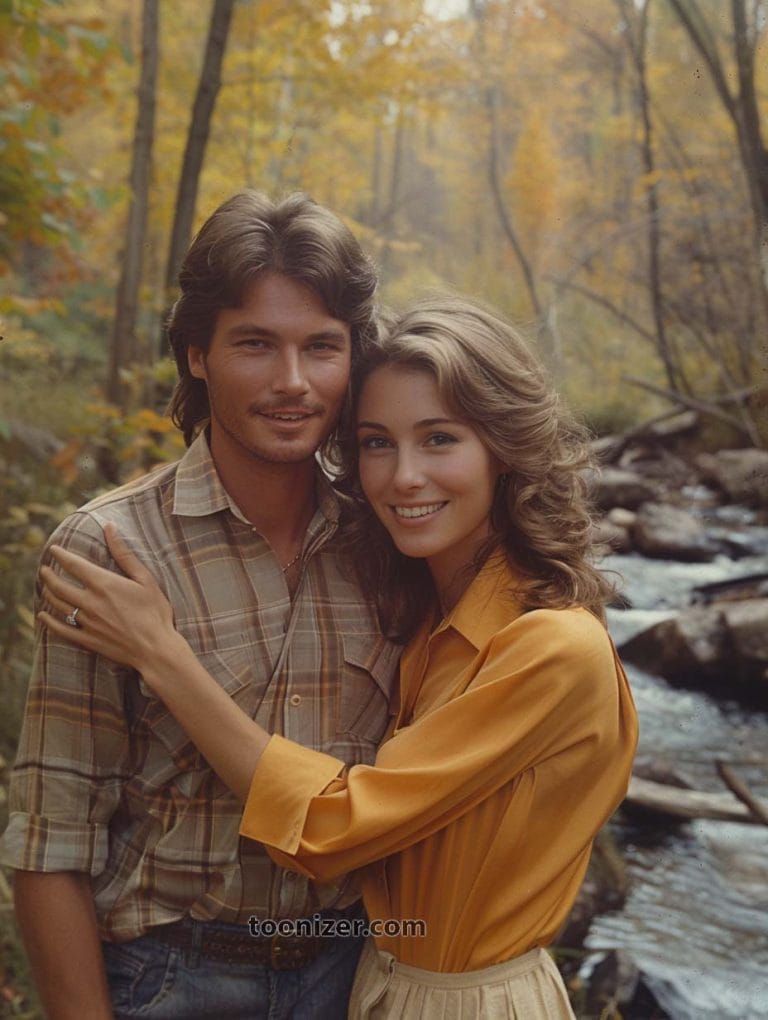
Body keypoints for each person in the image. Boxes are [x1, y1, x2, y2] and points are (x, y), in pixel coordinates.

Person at [37, 295, 638, 1019]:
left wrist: (162, 655)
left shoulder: (551, 645)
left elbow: (337, 825)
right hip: (354, 981)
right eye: (378, 443)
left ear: (505, 450)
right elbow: (50, 828)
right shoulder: (422, 611)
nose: (404, 476)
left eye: (439, 438)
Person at [0, 191, 401, 1020]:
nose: (293, 382)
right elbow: (50, 841)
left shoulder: (389, 539)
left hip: (355, 973)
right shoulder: (109, 550)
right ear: (196, 354)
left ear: (353, 358)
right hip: (172, 978)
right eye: (255, 344)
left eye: (321, 347)